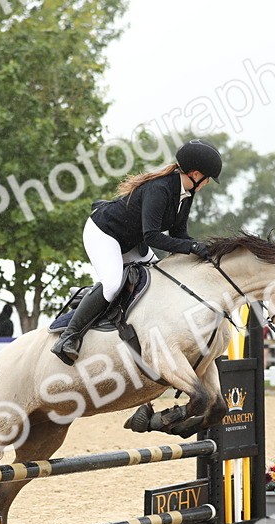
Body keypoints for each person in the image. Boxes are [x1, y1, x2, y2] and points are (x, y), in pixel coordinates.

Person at [52, 139, 223, 365]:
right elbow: (152, 236)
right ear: (195, 174)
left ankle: (106, 307)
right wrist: (190, 247)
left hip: (132, 240)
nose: (208, 182)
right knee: (112, 284)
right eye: (208, 178)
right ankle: (68, 337)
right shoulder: (160, 189)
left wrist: (202, 249)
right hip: (104, 233)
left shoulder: (187, 193)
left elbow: (179, 233)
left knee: (161, 279)